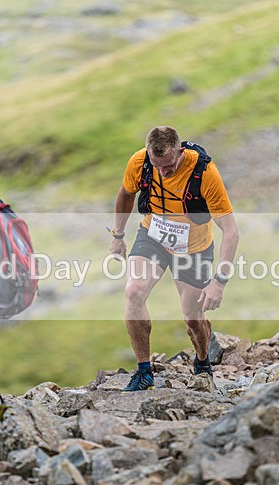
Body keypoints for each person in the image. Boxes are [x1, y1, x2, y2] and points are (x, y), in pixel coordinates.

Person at [109, 126, 239, 391]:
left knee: (193, 318)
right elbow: (125, 194)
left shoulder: (204, 172)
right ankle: (144, 372)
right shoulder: (140, 161)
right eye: (157, 166)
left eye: (168, 166)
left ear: (180, 152)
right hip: (153, 236)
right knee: (134, 291)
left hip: (194, 247)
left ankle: (202, 360)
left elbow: (232, 232)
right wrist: (118, 235)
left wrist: (220, 282)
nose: (163, 172)